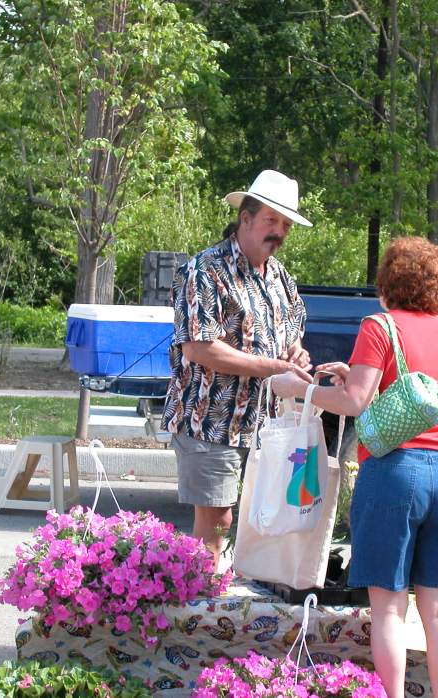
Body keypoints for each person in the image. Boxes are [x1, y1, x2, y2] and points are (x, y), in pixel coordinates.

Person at [272, 236, 438, 698]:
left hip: (396, 472)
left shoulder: (378, 325)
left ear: (386, 282)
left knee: (389, 610)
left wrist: (298, 390)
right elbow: (418, 393)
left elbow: (355, 401)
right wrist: (363, 377)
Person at [160, 169, 313, 569]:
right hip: (210, 420)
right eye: (270, 221)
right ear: (245, 218)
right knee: (217, 525)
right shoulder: (204, 271)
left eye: (284, 224)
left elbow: (292, 335)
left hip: (265, 427)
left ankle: (232, 616)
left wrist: (296, 355)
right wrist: (273, 366)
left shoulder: (281, 277)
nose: (278, 232)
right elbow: (199, 348)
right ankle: (201, 618)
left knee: (262, 524)